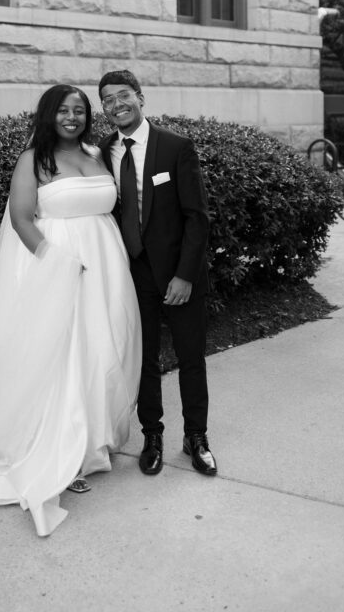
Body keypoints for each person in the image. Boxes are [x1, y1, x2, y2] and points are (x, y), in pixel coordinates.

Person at [0, 84, 141, 537]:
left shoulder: (98, 153)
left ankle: (93, 440)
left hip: (106, 266)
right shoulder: (33, 159)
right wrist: (57, 263)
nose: (72, 116)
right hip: (57, 267)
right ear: (48, 115)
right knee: (63, 356)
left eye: (79, 110)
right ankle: (64, 451)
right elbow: (22, 217)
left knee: (103, 348)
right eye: (63, 110)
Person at [98, 70, 216, 478]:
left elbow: (196, 218)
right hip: (134, 273)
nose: (117, 104)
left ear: (140, 97)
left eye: (123, 95)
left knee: (190, 358)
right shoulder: (103, 151)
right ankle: (152, 436)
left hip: (179, 274)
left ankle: (196, 437)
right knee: (144, 359)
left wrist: (185, 276)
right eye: (108, 99)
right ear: (104, 108)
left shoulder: (175, 147)